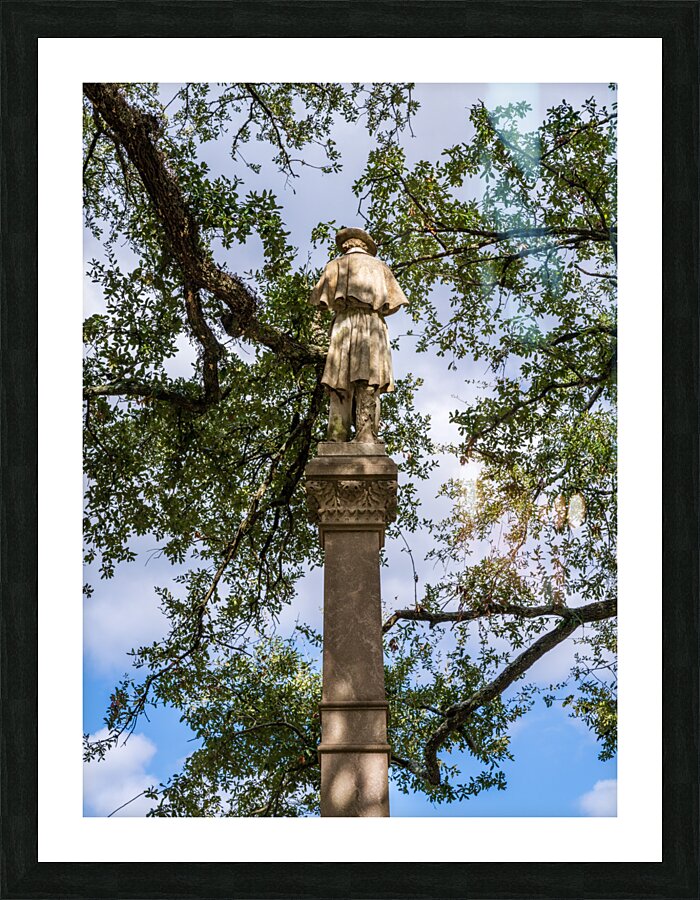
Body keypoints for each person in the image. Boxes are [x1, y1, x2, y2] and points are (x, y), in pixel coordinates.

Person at [309, 227, 408, 443]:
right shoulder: (380, 268)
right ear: (365, 246)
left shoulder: (334, 266)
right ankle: (367, 435)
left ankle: (337, 435)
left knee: (339, 380)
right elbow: (394, 303)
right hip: (372, 325)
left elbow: (319, 301)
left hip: (344, 324)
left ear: (348, 245)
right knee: (369, 380)